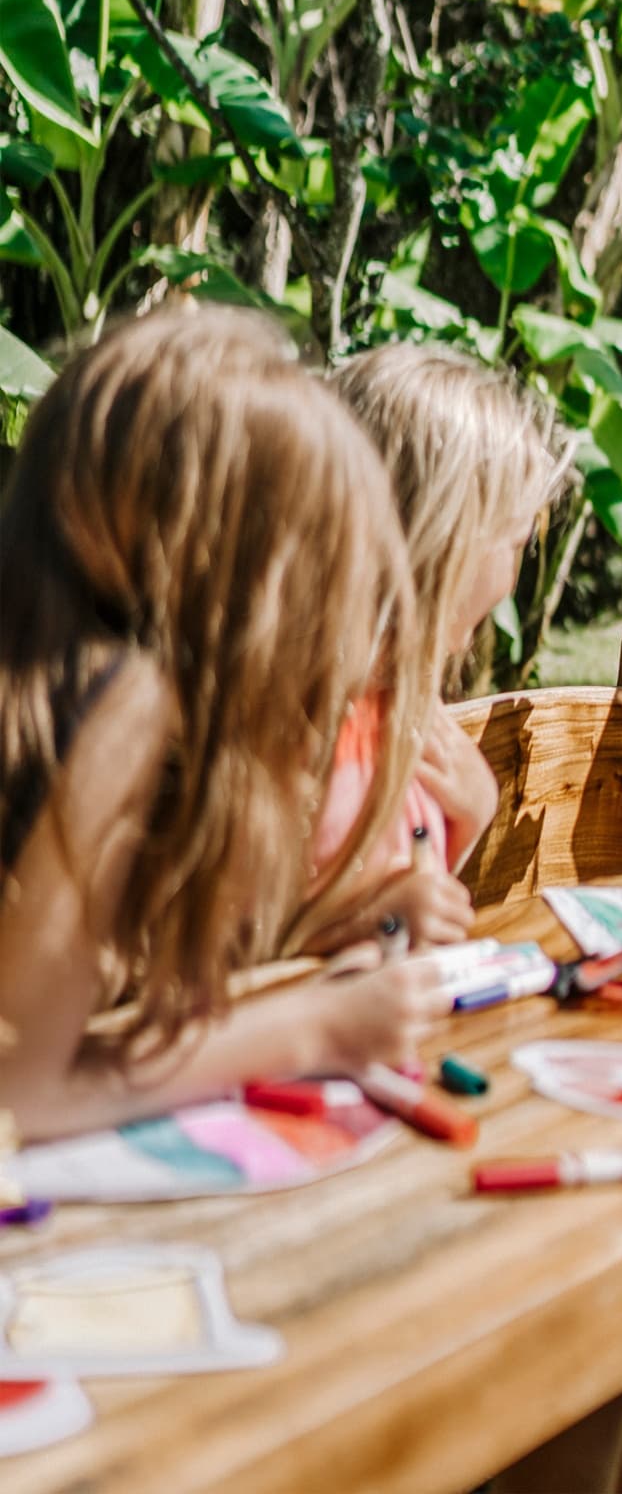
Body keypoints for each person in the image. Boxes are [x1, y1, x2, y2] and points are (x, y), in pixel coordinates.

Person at [0, 308, 453, 1141]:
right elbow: (18, 1091)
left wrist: (333, 929)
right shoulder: (121, 697)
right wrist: (318, 1027)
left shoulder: (49, 673)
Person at [296, 343, 572, 954]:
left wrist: (469, 815)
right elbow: (240, 954)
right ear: (441, 543)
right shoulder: (298, 735)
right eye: (515, 538)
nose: (514, 574)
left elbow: (408, 911)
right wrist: (370, 922)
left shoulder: (399, 716)